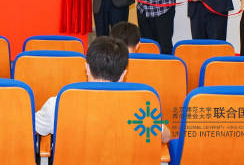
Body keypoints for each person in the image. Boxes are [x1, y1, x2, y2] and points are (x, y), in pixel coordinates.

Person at [34, 36, 170, 143]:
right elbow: (166, 136)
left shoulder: (58, 104)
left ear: (87, 68)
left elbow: (32, 129)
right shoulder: (140, 107)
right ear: (124, 74)